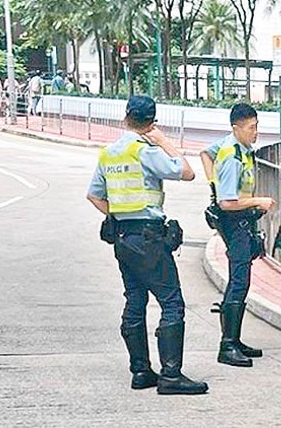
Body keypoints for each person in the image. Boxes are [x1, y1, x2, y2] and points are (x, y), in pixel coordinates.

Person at [86, 95, 208, 395]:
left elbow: (94, 195)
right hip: (149, 238)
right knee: (171, 302)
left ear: (126, 116)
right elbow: (187, 172)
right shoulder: (144, 151)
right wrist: (165, 141)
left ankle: (140, 371)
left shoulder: (108, 153)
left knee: (135, 300)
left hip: (123, 238)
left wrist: (120, 215)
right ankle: (170, 375)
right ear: (151, 121)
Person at [200, 103, 275, 368]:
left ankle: (234, 338)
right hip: (234, 222)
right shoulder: (231, 157)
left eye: (257, 127)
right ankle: (228, 344)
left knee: (239, 279)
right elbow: (227, 203)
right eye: (252, 128)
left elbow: (204, 154)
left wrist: (212, 183)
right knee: (239, 281)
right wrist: (259, 201)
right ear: (237, 128)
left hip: (239, 222)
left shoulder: (233, 147)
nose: (256, 133)